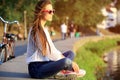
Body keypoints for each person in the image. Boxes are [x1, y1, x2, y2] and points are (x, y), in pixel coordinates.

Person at [26, 0, 86, 79]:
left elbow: (52, 49)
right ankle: (64, 71)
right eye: (50, 11)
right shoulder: (36, 30)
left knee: (71, 53)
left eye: (53, 11)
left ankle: (62, 71)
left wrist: (64, 59)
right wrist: (70, 63)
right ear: (41, 12)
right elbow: (49, 52)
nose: (52, 14)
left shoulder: (44, 29)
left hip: (46, 63)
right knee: (66, 61)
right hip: (36, 69)